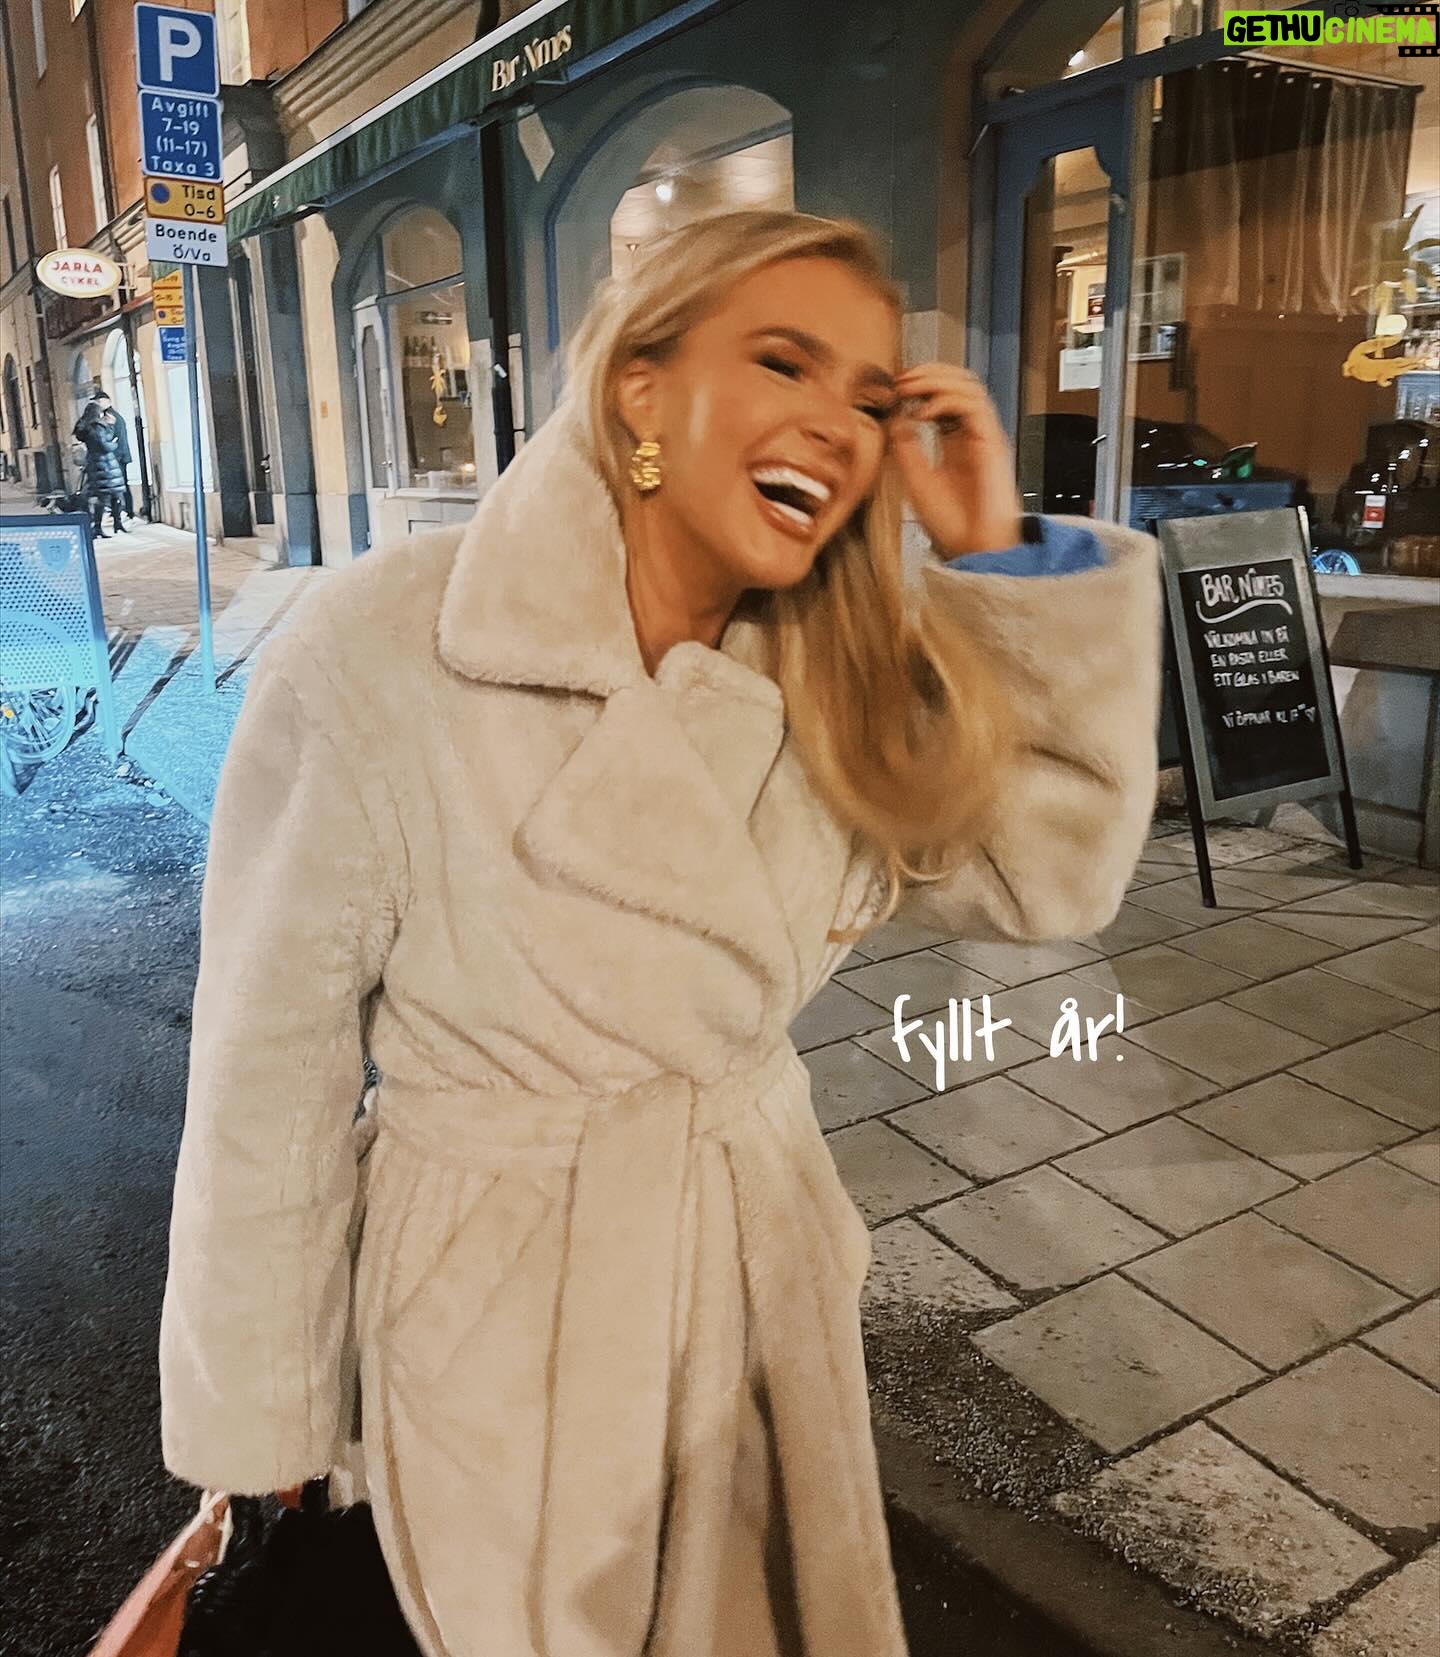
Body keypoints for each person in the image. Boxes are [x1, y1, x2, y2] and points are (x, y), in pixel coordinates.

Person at [158, 210, 1160, 1657]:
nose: (832, 427)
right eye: (783, 363)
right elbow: (269, 1079)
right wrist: (268, 1430)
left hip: (754, 1307)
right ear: (641, 384)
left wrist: (996, 554)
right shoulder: (384, 650)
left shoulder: (832, 667)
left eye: (869, 400)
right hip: (495, 1329)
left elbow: (1049, 877)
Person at [73, 398, 128, 537]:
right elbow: (104, 444)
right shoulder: (97, 426)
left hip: (96, 465)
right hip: (106, 466)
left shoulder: (85, 427)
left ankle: (107, 525)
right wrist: (112, 436)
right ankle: (103, 526)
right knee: (109, 496)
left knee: (106, 496)